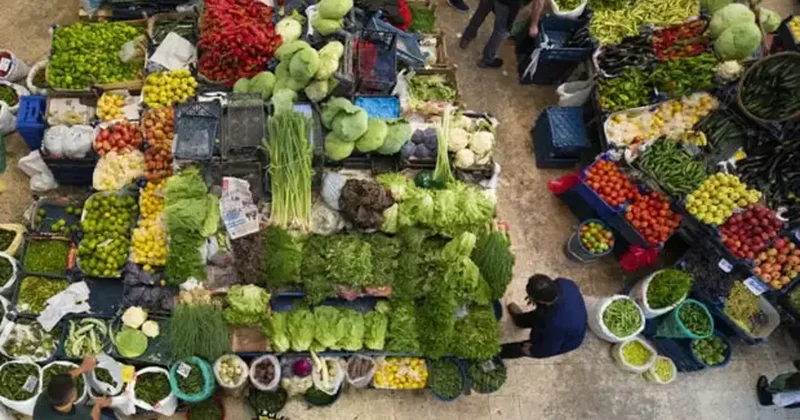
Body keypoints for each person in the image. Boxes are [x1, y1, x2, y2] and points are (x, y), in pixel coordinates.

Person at [500, 274, 587, 358]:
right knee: (536, 316)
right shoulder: (565, 283)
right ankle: (519, 320)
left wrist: (533, 350)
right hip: (563, 316)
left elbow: (550, 348)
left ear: (541, 300)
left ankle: (497, 353)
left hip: (567, 338)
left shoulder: (555, 326)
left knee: (524, 347)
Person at [459, 0, 546, 68]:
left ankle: (466, 38)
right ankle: (487, 59)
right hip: (507, 3)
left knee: (480, 12)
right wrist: (534, 24)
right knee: (501, 30)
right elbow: (538, 3)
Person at [33, 356, 112, 420]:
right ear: (73, 399)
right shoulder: (77, 418)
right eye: (74, 389)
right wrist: (98, 405)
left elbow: (63, 380)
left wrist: (82, 368)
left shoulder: (43, 398)